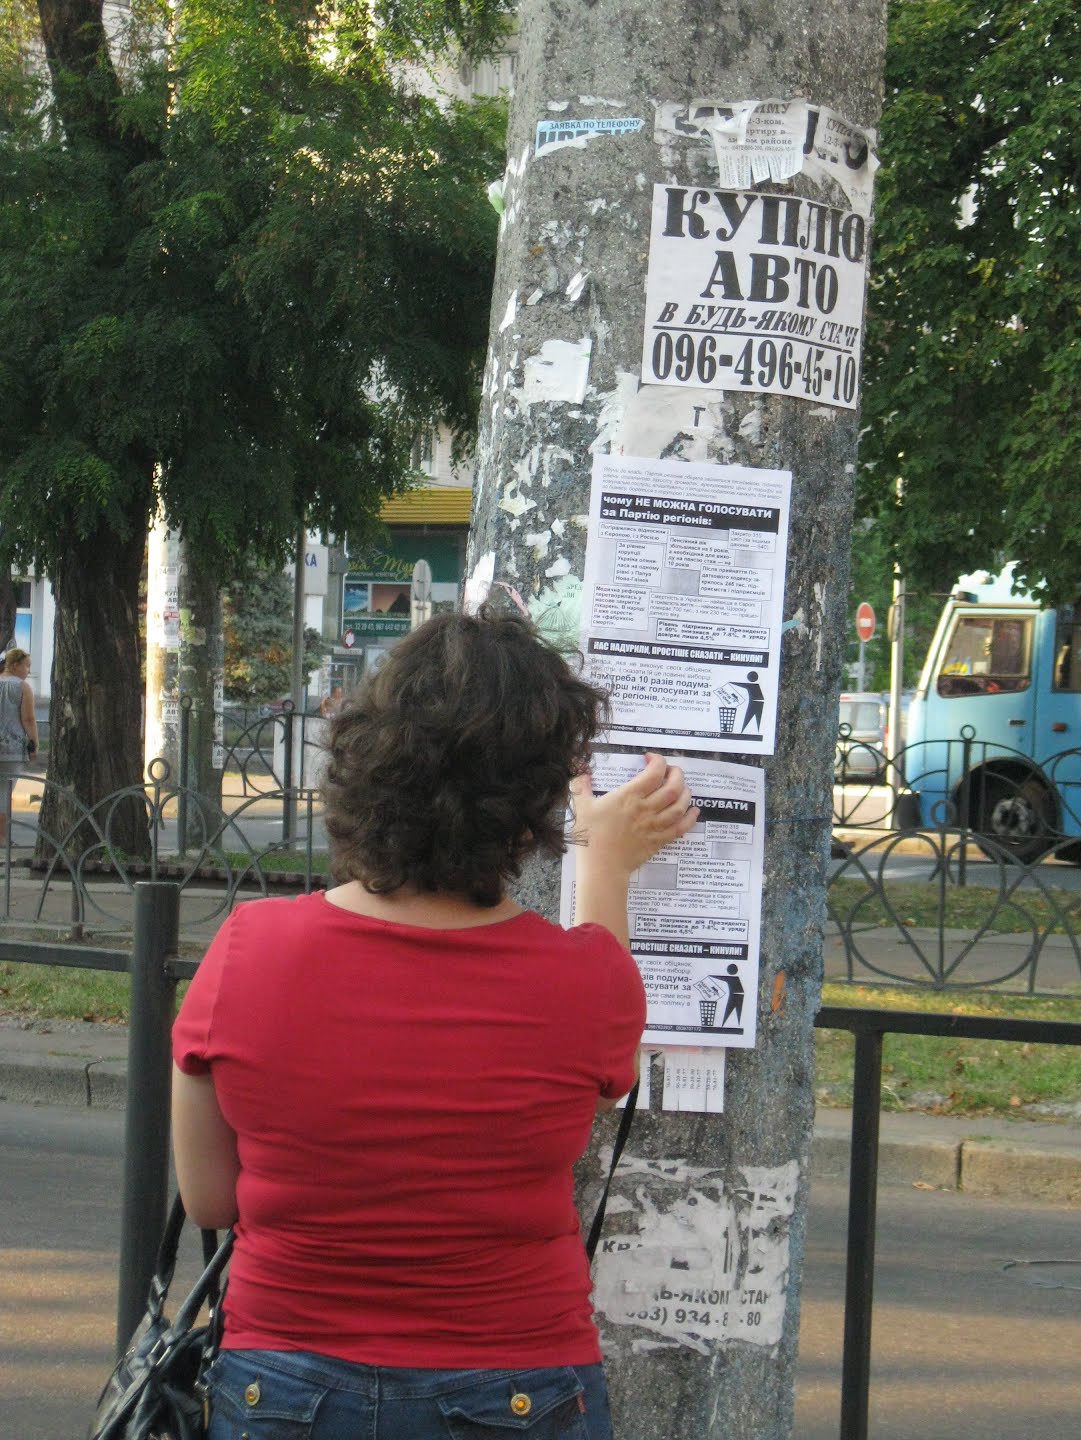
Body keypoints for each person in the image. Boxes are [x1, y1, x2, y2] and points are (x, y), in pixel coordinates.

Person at [171, 610, 697, 1440]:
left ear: (366, 763)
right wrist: (606, 863)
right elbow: (598, 1079)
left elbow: (208, 1199)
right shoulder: (583, 980)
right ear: (531, 807)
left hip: (282, 1380)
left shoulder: (249, 950)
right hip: (518, 1383)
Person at [0, 647, 37, 845]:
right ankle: (2, 837)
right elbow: (28, 719)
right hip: (11, 748)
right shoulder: (22, 687)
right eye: (26, 666)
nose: (28, 671)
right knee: (4, 792)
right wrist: (34, 743)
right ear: (15, 665)